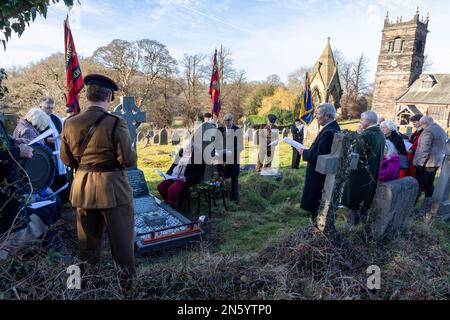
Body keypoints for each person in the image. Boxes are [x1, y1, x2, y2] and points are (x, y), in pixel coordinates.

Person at [60, 74, 137, 279]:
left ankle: (86, 288)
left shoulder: (70, 123)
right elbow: (128, 160)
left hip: (82, 189)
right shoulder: (115, 123)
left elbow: (66, 160)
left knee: (87, 248)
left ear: (88, 95)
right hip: (113, 191)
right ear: (109, 96)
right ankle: (127, 289)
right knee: (122, 247)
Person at [297, 103, 341, 222]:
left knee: (315, 204)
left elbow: (320, 156)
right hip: (320, 173)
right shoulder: (332, 128)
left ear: (327, 116)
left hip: (318, 174)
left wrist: (304, 152)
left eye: (318, 114)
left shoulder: (328, 132)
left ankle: (316, 229)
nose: (316, 116)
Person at [342, 111, 385, 225]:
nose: (360, 122)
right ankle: (361, 225)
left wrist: (357, 136)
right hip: (372, 173)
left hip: (359, 175)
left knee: (354, 201)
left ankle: (351, 227)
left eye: (361, 119)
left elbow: (354, 155)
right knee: (364, 203)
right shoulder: (380, 133)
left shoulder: (366, 135)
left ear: (367, 121)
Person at [157, 139, 205, 209]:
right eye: (184, 148)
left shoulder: (198, 156)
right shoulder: (181, 152)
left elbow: (200, 172)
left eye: (188, 148)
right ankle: (168, 200)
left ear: (192, 147)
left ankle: (173, 206)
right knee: (161, 187)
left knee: (172, 189)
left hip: (186, 178)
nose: (186, 150)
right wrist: (167, 174)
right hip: (174, 176)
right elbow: (174, 164)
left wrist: (186, 178)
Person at [39, 96, 70, 202]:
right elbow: (34, 135)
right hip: (46, 153)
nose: (50, 110)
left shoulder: (56, 118)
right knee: (51, 176)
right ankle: (53, 200)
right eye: (47, 108)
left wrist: (62, 136)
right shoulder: (37, 119)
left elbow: (62, 131)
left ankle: (64, 201)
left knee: (61, 175)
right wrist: (45, 139)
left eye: (52, 108)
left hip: (58, 150)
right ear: (40, 107)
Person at [413, 116, 447, 201]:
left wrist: (420, 164)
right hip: (435, 163)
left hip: (426, 164)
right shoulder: (441, 130)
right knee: (429, 185)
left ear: (425, 123)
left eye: (421, 125)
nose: (421, 127)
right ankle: (428, 204)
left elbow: (424, 149)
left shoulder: (428, 131)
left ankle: (412, 204)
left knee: (418, 185)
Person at [217, 113, 244, 202]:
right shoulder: (220, 130)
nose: (227, 125)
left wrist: (231, 151)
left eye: (229, 122)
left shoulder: (238, 131)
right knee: (221, 176)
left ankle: (234, 196)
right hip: (222, 158)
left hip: (234, 158)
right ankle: (221, 193)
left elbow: (240, 147)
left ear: (232, 121)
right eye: (225, 122)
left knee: (234, 177)